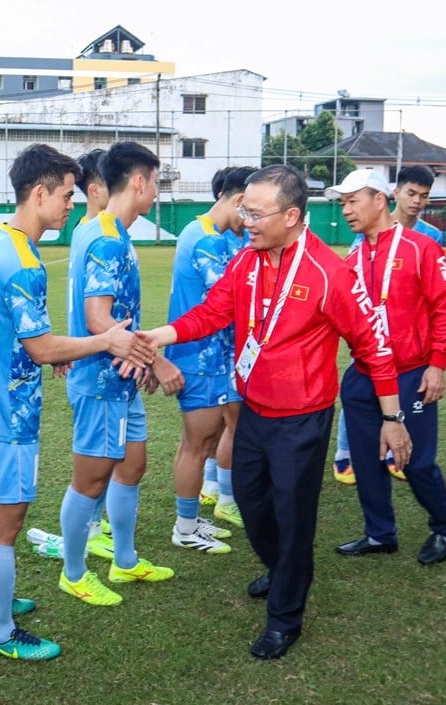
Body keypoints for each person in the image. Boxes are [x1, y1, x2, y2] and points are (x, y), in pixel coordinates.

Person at [142, 164, 411, 660]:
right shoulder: (247, 260)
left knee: (293, 515)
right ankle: (282, 566)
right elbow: (213, 312)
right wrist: (162, 334)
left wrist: (393, 420)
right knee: (251, 502)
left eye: (256, 214)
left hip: (302, 419)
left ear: (291, 216)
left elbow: (373, 347)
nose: (246, 222)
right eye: (244, 211)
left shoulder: (330, 273)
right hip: (253, 410)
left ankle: (286, 616)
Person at [0, 144, 155, 660]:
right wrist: (102, 341)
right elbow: (41, 348)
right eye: (65, 194)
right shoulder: (24, 261)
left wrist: (56, 350)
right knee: (5, 524)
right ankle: (2, 633)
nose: (72, 203)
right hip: (5, 410)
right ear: (38, 193)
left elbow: (21, 336)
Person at [58, 141, 183, 608]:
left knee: (132, 467)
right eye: (156, 182)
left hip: (120, 377)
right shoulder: (107, 238)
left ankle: (125, 560)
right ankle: (74, 574)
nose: (157, 192)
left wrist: (139, 358)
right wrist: (155, 360)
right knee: (89, 481)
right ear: (139, 181)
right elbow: (97, 318)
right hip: (101, 381)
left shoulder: (105, 230)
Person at [326, 168, 446, 565]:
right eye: (343, 203)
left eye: (353, 201)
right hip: (363, 375)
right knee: (366, 460)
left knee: (415, 461)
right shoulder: (353, 256)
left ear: (379, 200)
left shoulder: (421, 248)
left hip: (412, 374)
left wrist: (436, 365)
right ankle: (380, 533)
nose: (346, 210)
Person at [331, 165, 441, 486]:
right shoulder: (362, 239)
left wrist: (435, 361)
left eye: (423, 196)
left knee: (404, 417)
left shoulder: (428, 239)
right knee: (361, 397)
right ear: (393, 195)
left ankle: (396, 454)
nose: (417, 201)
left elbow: (439, 302)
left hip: (409, 356)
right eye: (411, 193)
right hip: (369, 353)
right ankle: (345, 453)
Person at [165, 166, 255, 554]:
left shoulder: (207, 233)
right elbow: (230, 301)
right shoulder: (206, 240)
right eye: (252, 211)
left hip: (212, 356)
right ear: (239, 201)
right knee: (196, 445)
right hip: (199, 358)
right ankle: (185, 528)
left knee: (208, 438)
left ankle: (195, 516)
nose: (251, 222)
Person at [73, 148, 116, 561]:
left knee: (110, 459)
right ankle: (88, 533)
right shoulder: (97, 234)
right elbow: (94, 316)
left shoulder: (88, 229)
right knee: (94, 464)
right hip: (95, 366)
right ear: (96, 189)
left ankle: (95, 527)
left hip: (92, 362)